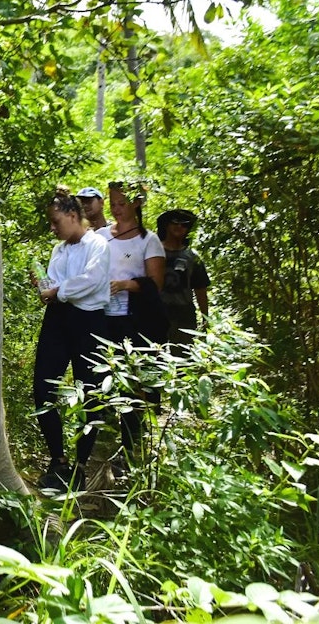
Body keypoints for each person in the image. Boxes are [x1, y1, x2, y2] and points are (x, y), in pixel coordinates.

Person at [31, 187, 111, 493]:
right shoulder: (59, 251)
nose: (52, 228)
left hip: (89, 323)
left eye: (55, 221)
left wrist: (58, 291)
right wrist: (44, 288)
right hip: (58, 321)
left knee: (90, 392)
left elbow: (92, 282)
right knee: (43, 387)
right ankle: (58, 460)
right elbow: (54, 286)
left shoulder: (98, 245)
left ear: (73, 215)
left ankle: (81, 464)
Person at [97, 181, 168, 461]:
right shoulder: (102, 235)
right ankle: (102, 442)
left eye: (122, 204)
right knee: (103, 378)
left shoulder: (148, 241)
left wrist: (126, 284)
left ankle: (131, 445)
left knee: (134, 381)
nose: (116, 209)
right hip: (103, 316)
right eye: (113, 203)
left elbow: (156, 283)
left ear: (137, 204)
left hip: (135, 320)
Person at [157, 209, 210, 348]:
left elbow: (200, 290)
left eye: (184, 224)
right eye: (175, 222)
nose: (179, 227)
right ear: (167, 225)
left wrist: (206, 320)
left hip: (183, 316)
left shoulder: (192, 257)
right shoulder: (153, 251)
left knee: (183, 362)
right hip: (156, 313)